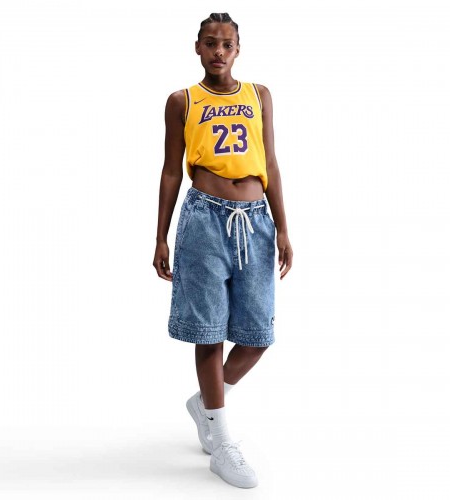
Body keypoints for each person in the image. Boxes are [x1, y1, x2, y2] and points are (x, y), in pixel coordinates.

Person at [153, 12, 293, 489]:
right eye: (210, 43)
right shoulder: (182, 101)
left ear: (237, 50)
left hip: (255, 221)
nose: (218, 51)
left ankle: (207, 404)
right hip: (204, 220)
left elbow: (270, 161)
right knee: (208, 332)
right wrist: (161, 235)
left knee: (257, 334)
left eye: (226, 44)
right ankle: (222, 439)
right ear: (197, 47)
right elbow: (171, 170)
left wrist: (283, 228)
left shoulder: (259, 95)